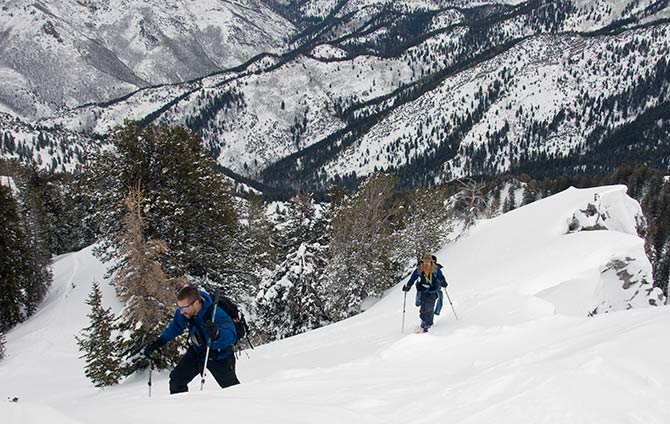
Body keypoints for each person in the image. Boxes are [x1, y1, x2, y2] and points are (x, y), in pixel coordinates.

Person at [143, 286, 240, 394]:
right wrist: (158, 343)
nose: (181, 312)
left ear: (196, 304)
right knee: (176, 381)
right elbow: (175, 327)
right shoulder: (185, 313)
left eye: (184, 308)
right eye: (179, 308)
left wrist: (217, 334)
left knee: (231, 389)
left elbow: (231, 335)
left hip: (219, 356)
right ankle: (184, 408)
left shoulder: (215, 313)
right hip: (198, 351)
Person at [402, 253, 448, 333]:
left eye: (428, 262)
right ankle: (423, 321)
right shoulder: (419, 269)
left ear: (431, 262)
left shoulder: (436, 269)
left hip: (433, 290)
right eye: (425, 261)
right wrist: (408, 286)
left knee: (429, 307)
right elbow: (413, 278)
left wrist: (443, 282)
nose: (426, 263)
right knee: (423, 307)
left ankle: (428, 324)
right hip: (423, 290)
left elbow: (441, 277)